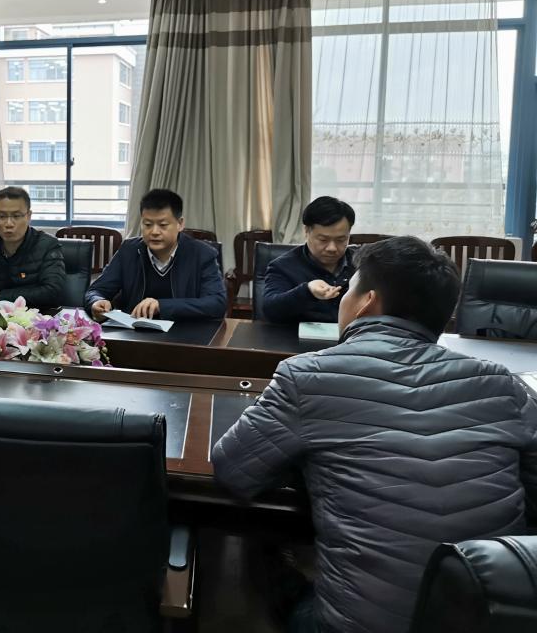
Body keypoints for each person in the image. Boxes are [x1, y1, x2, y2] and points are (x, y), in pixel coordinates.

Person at [211, 236, 537, 633]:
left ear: (366, 301)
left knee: (260, 543)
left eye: (349, 288)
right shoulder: (503, 384)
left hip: (356, 625)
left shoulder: (308, 375)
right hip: (491, 618)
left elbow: (234, 471)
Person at [84, 189, 225, 321]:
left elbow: (217, 303)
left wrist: (161, 306)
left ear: (180, 224)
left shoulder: (202, 254)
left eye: (163, 225)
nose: (154, 232)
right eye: (147, 224)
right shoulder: (129, 250)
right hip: (134, 333)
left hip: (184, 333)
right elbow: (96, 290)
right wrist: (96, 301)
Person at [262, 196, 356, 323]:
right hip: (299, 335)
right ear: (306, 231)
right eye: (323, 240)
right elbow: (270, 309)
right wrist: (308, 291)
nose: (332, 248)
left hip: (355, 334)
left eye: (341, 240)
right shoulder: (283, 267)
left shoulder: (364, 264)